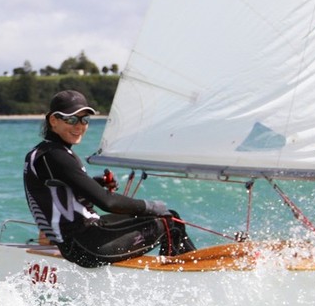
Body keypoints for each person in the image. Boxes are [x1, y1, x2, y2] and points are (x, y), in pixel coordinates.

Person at [23, 90, 195, 267]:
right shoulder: (56, 156)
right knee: (171, 223)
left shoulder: (42, 153)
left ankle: (177, 269)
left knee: (159, 217)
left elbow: (59, 192)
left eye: (84, 120)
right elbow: (107, 202)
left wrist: (96, 183)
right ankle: (185, 279)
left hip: (76, 242)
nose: (79, 126)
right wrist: (150, 206)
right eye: (72, 119)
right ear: (53, 120)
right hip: (87, 246)